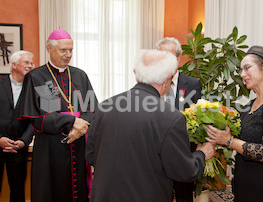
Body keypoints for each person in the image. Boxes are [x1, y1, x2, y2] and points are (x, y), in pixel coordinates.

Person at [85, 49, 216, 202]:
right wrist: (202, 154)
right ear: (168, 79)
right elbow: (184, 172)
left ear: (136, 73)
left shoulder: (105, 106)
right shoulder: (171, 117)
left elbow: (91, 155)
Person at [205, 45, 263, 202]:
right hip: (245, 186)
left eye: (247, 68)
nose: (242, 74)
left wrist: (229, 141)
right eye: (241, 70)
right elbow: (238, 136)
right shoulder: (249, 104)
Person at [18, 28, 97, 202]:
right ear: (49, 48)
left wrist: (81, 126)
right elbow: (41, 116)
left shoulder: (80, 75)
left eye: (70, 50)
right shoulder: (38, 77)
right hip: (50, 146)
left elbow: (91, 108)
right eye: (63, 50)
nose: (68, 54)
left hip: (78, 144)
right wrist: (72, 122)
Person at [156, 37, 202, 202]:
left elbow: (198, 118)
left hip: (182, 151)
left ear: (178, 58)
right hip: (156, 152)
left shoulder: (192, 84)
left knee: (184, 196)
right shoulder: (151, 83)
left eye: (169, 56)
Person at [0, 50, 34, 202]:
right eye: (26, 62)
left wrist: (24, 141)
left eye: (32, 63)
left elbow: (37, 119)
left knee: (18, 191)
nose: (30, 66)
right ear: (14, 64)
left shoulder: (36, 88)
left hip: (19, 147)